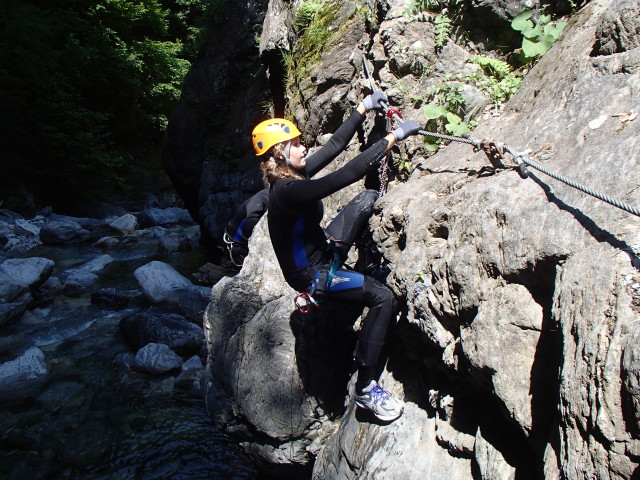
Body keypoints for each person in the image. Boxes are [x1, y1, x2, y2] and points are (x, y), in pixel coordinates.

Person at [252, 93, 421, 422]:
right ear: (279, 152)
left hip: (325, 248)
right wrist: (393, 137)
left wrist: (362, 108)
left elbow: (333, 149)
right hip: (312, 274)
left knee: (368, 198)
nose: (304, 148)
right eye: (296, 144)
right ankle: (367, 389)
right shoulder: (287, 190)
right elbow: (346, 174)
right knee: (383, 298)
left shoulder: (292, 174)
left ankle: (366, 263)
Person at [223, 188, 269, 267]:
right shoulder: (260, 199)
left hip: (242, 239)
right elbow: (251, 220)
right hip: (237, 242)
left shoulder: (270, 195)